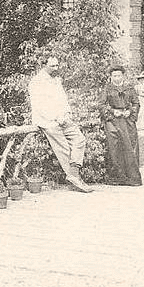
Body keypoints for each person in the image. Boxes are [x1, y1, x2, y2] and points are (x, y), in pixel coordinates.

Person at [28, 56, 93, 192]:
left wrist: (67, 114)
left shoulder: (56, 81)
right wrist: (56, 118)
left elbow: (63, 99)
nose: (56, 68)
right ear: (43, 65)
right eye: (52, 66)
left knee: (79, 139)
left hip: (63, 118)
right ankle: (76, 179)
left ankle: (73, 173)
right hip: (47, 121)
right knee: (63, 147)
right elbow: (39, 106)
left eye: (57, 65)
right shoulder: (36, 82)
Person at [99, 66, 142, 186]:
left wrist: (131, 112)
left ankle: (133, 178)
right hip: (112, 121)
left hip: (127, 121)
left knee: (130, 147)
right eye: (114, 76)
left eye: (119, 75)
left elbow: (136, 103)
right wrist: (113, 111)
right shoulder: (107, 89)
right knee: (114, 148)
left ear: (123, 76)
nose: (117, 78)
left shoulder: (129, 88)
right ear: (111, 77)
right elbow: (101, 104)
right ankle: (118, 177)